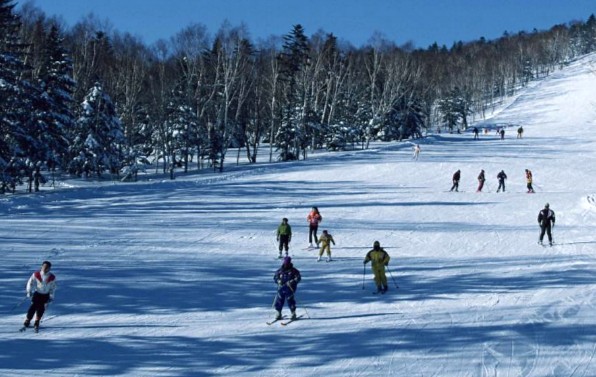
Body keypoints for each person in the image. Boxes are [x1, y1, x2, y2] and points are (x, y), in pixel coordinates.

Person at [23, 261, 56, 331]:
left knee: (41, 308)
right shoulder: (36, 274)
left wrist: (51, 296)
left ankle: (37, 321)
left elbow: (53, 287)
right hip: (37, 293)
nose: (45, 268)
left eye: (47, 267)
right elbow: (30, 282)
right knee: (33, 307)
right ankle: (28, 320)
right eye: (44, 266)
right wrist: (29, 291)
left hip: (45, 295)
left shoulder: (52, 277)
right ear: (41, 266)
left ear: (49, 268)